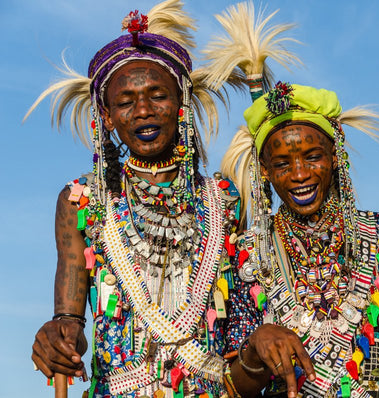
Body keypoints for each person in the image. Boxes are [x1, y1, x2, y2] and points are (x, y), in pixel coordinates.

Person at [26, 1, 245, 396]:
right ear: (106, 118)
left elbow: (244, 326)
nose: (143, 110)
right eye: (125, 102)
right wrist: (58, 335)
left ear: (181, 106)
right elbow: (68, 318)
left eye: (157, 96)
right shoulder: (82, 201)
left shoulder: (226, 201)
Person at [214, 81, 379, 398]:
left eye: (313, 156)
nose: (299, 174)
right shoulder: (248, 254)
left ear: (335, 154)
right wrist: (256, 346)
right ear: (265, 171)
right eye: (283, 163)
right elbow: (237, 386)